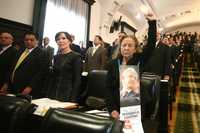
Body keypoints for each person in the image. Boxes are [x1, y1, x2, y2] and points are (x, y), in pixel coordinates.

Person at [105, 14, 156, 119]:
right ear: (120, 48)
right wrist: (112, 109)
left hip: (135, 104)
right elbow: (108, 88)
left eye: (130, 45)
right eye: (124, 45)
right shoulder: (113, 63)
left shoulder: (140, 59)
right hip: (116, 104)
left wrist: (152, 23)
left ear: (135, 48)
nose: (126, 48)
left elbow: (151, 45)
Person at [7, 31, 49, 98]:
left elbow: (41, 73)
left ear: (37, 41)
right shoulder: (20, 51)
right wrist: (7, 84)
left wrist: (30, 87)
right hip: (12, 87)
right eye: (26, 40)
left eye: (32, 40)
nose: (28, 41)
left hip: (27, 89)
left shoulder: (42, 54)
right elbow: (13, 68)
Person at [46, 31, 82, 102]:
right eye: (58, 39)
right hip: (53, 94)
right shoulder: (56, 57)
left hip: (67, 94)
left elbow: (77, 80)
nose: (60, 41)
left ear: (69, 41)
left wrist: (73, 99)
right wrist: (48, 95)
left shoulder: (76, 57)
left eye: (63, 38)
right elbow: (53, 78)